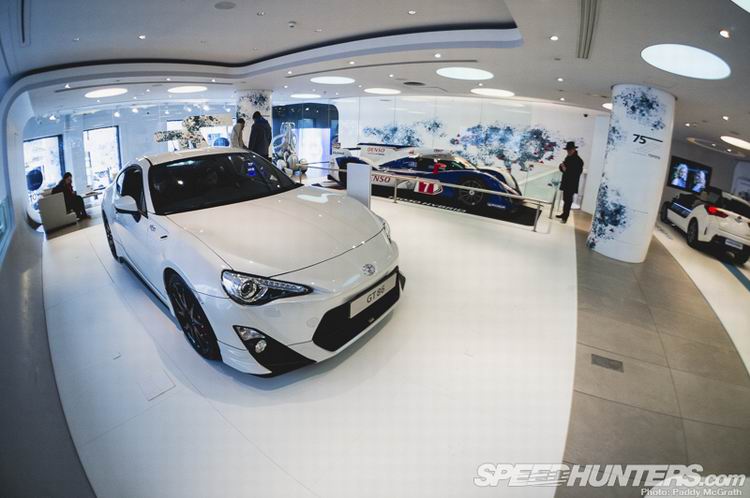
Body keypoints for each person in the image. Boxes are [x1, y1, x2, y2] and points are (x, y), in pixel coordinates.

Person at [556, 141, 584, 224]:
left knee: (568, 200)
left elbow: (576, 173)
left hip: (571, 184)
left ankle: (565, 217)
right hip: (566, 182)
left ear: (574, 149)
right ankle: (564, 214)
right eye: (567, 150)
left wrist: (565, 169)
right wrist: (562, 167)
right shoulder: (568, 158)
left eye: (570, 150)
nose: (568, 151)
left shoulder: (578, 160)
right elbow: (562, 167)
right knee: (565, 199)